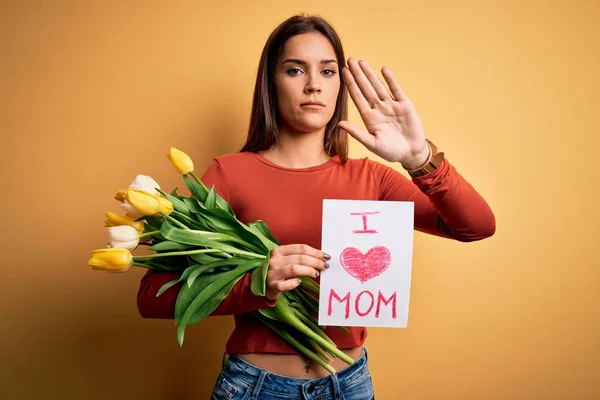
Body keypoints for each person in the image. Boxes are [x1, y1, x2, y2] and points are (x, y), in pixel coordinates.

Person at [136, 14, 495, 400]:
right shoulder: (230, 173)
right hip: (257, 388)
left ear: (339, 86)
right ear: (271, 84)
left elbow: (475, 225)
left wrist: (417, 156)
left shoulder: (371, 178)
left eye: (327, 72)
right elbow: (151, 296)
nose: (313, 85)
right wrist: (258, 281)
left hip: (350, 384)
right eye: (294, 70)